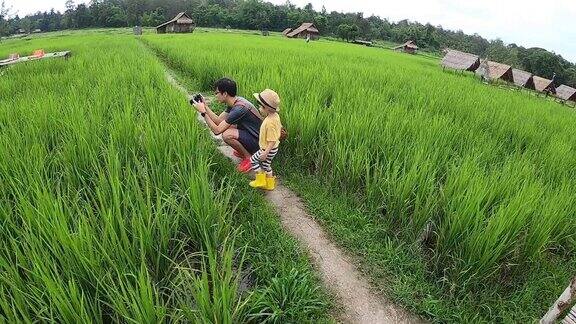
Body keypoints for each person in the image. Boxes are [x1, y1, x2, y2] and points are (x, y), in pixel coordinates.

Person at [193, 78, 262, 172]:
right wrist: (205, 106)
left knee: (227, 135)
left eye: (216, 93)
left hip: (259, 142)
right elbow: (218, 121)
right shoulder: (236, 101)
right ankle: (245, 151)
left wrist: (203, 113)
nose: (215, 95)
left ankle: (249, 158)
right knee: (227, 127)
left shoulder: (239, 109)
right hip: (252, 134)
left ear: (225, 94)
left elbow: (217, 131)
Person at [248, 89, 282, 191]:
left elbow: (271, 140)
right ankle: (270, 184)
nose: (259, 108)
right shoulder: (275, 116)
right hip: (273, 148)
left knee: (253, 160)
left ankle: (260, 180)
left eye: (260, 106)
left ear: (266, 108)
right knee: (266, 165)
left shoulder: (269, 122)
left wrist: (265, 153)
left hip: (268, 149)